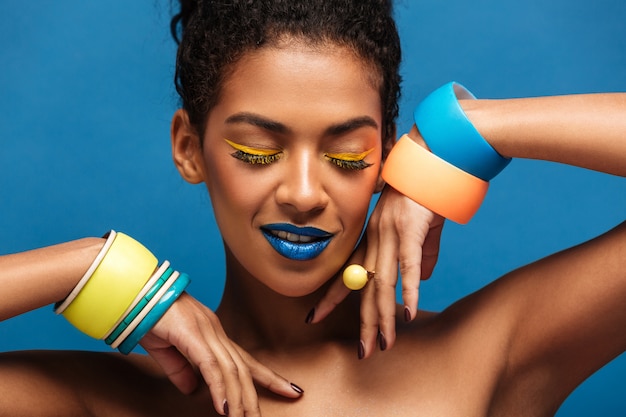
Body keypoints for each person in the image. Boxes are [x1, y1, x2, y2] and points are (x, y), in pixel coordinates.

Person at [1, 1, 624, 416]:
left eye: (350, 157)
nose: (303, 194)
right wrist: (83, 267)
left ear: (387, 155)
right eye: (256, 150)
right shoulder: (100, 402)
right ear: (190, 149)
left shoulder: (488, 354)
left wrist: (467, 132)